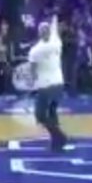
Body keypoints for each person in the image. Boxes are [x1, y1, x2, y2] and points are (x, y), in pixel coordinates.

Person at [28, 15, 68, 151]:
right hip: (59, 85)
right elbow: (55, 29)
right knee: (51, 113)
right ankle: (57, 142)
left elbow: (33, 72)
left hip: (45, 87)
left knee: (40, 115)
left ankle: (60, 137)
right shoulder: (56, 42)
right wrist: (55, 18)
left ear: (39, 34)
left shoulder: (35, 51)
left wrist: (32, 86)